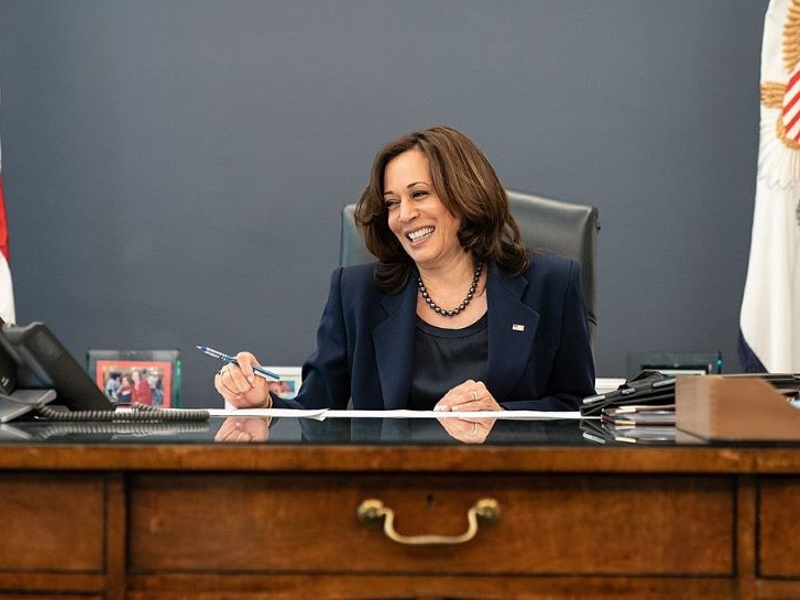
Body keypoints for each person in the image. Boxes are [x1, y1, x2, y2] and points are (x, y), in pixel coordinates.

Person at [215, 125, 595, 412]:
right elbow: (316, 413)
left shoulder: (552, 284)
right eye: (392, 203)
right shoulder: (356, 293)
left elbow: (579, 410)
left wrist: (503, 417)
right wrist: (261, 404)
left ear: (464, 195)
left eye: (419, 194)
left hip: (510, 492)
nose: (405, 216)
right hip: (389, 495)